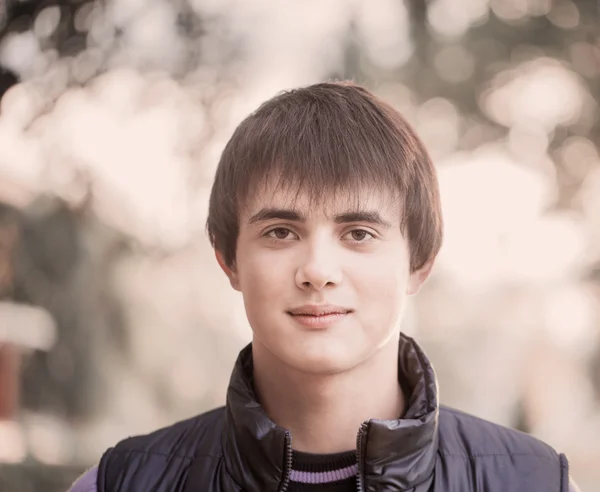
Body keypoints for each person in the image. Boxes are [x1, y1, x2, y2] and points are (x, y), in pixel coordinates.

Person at [69, 81, 579, 491]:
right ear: (228, 259)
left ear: (418, 262)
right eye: (280, 232)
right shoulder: (123, 481)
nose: (318, 269)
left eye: (358, 234)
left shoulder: (533, 480)